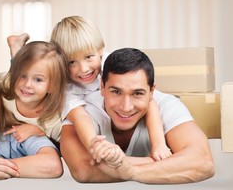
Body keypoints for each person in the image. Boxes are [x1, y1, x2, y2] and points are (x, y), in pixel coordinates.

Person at [60, 47, 215, 183]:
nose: (126, 107)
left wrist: (131, 172)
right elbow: (83, 170)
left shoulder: (166, 105)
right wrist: (160, 164)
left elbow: (202, 162)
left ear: (151, 91)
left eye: (137, 93)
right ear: (102, 87)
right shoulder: (83, 111)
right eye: (116, 92)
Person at [51, 16, 170, 160]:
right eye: (71, 62)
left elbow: (149, 101)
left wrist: (159, 145)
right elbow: (79, 117)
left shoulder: (111, 63)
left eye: (88, 57)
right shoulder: (65, 87)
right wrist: (95, 145)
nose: (83, 69)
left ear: (100, 51)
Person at [0, 41, 69, 144]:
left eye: (38, 80)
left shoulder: (53, 123)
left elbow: (63, 147)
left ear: (52, 87)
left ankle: (16, 47)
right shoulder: (6, 84)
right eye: (22, 76)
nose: (27, 84)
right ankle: (15, 48)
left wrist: (39, 131)